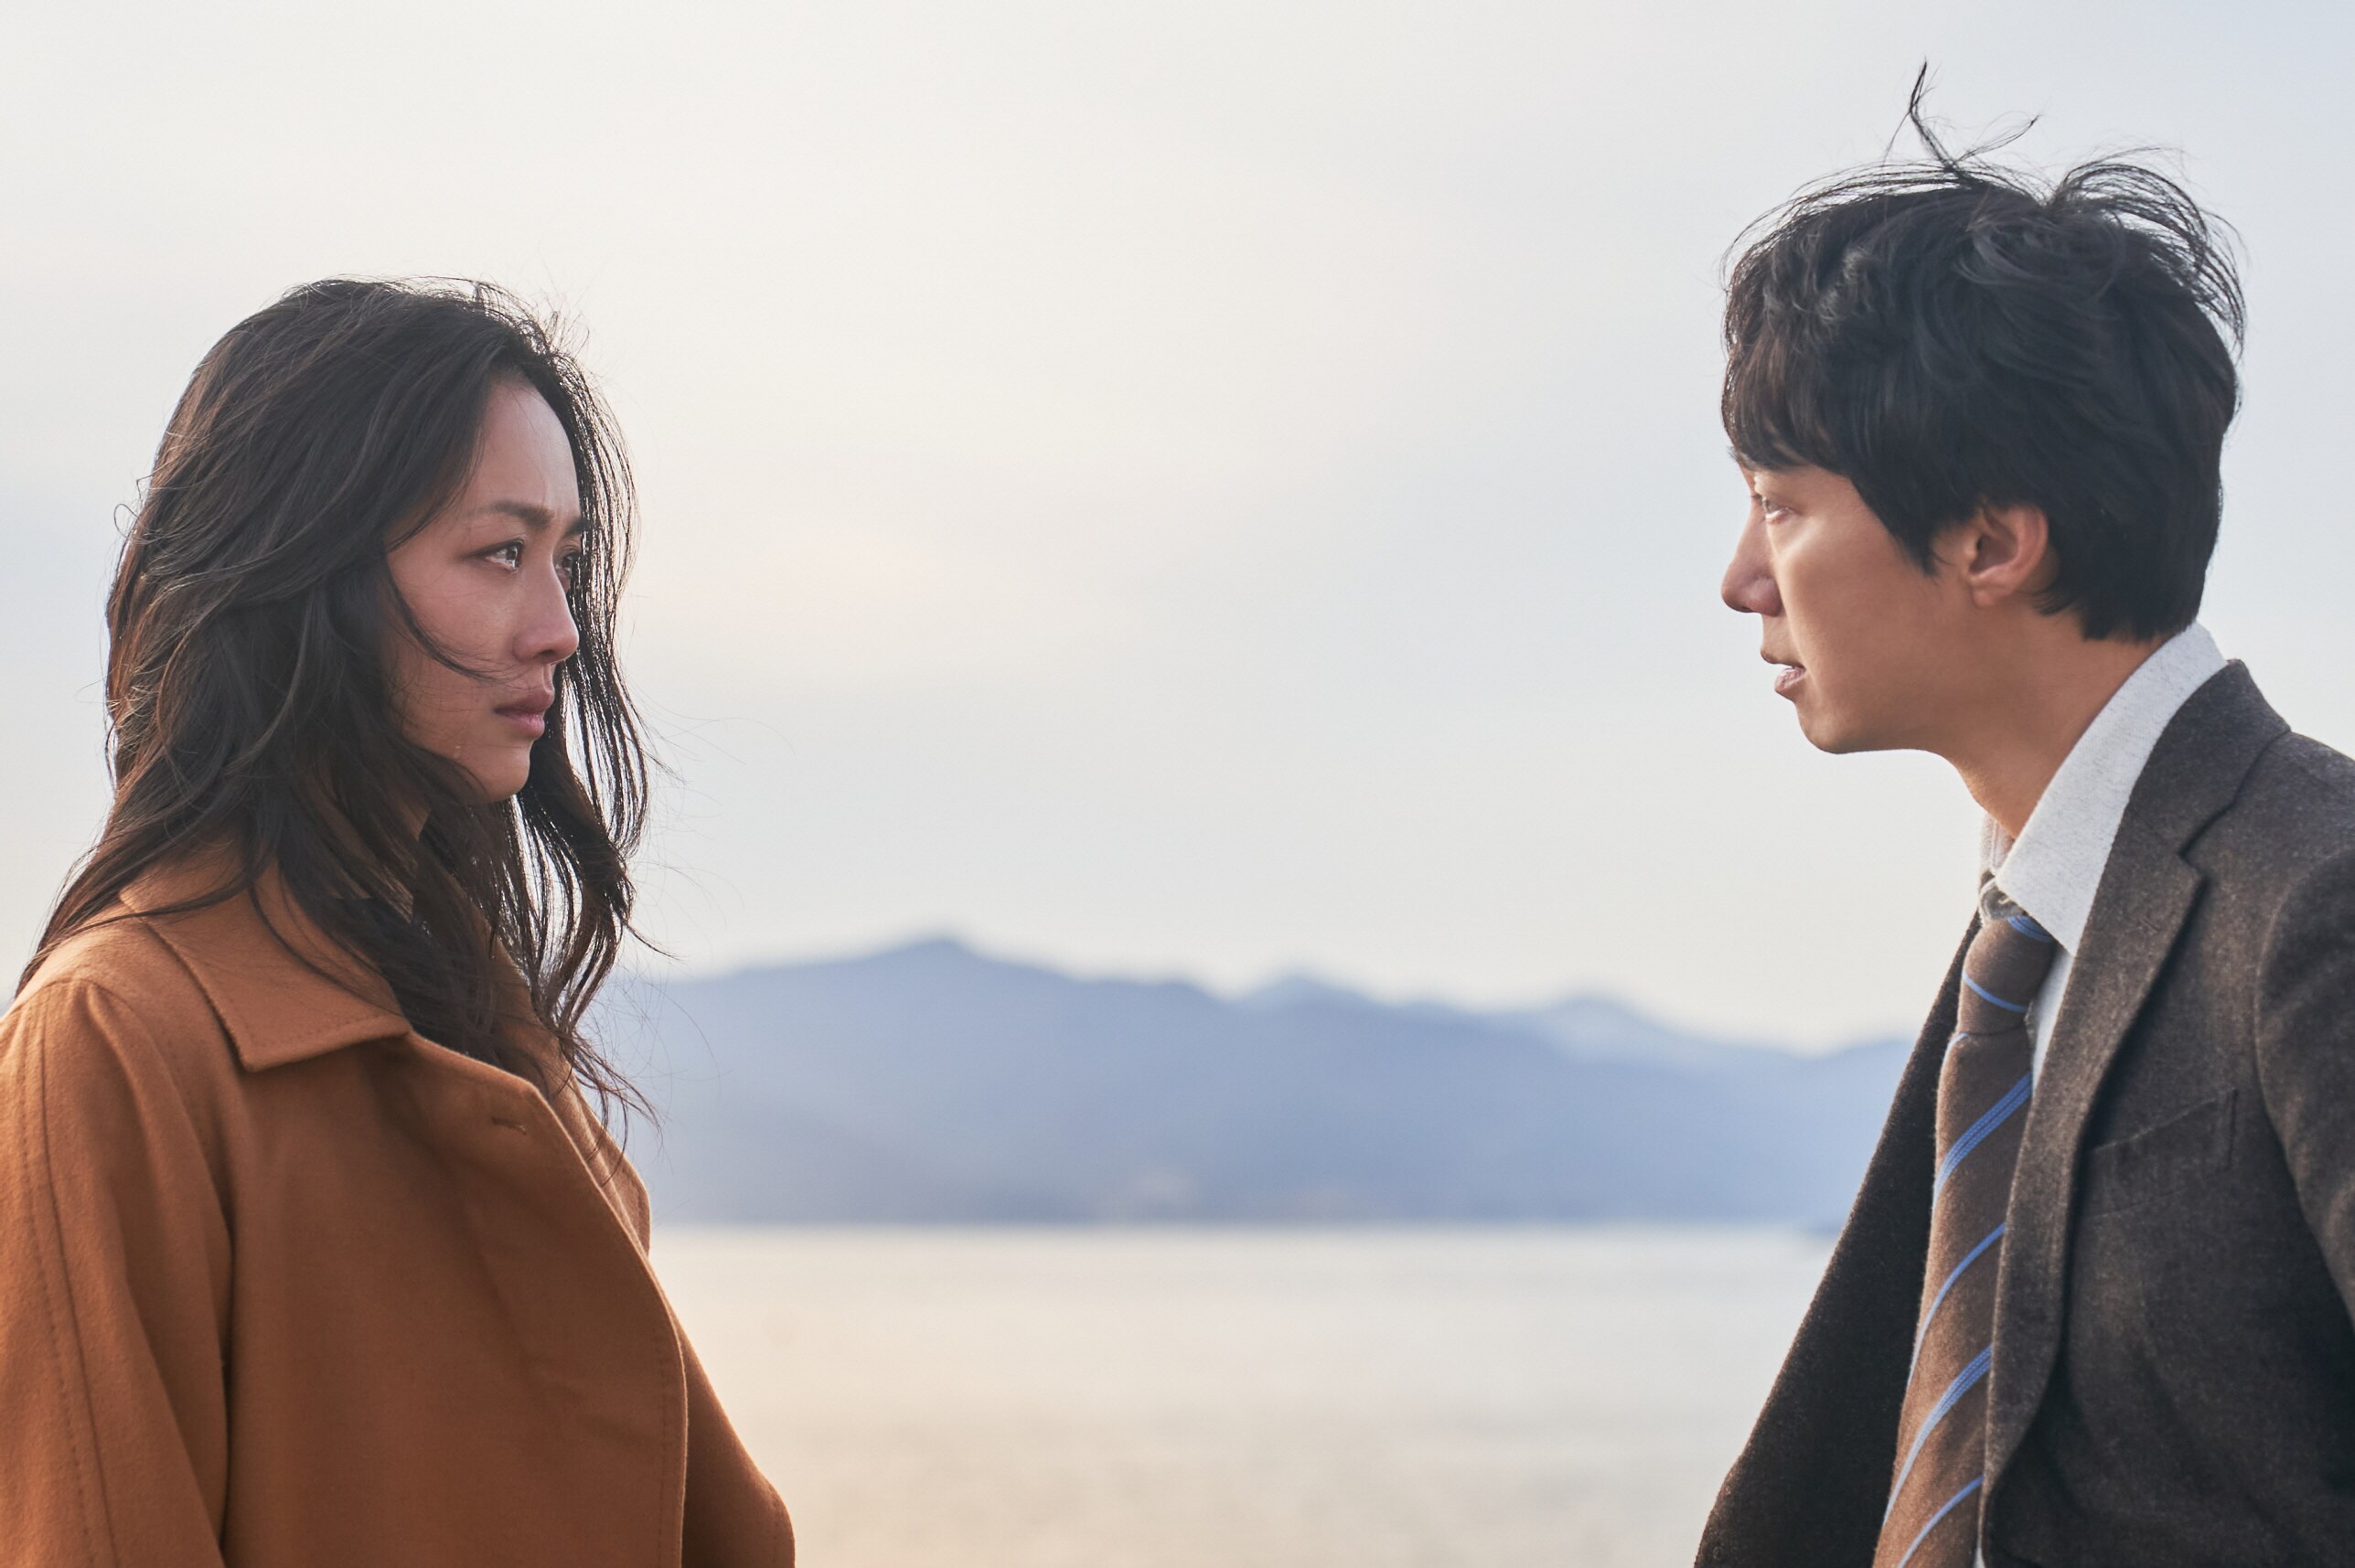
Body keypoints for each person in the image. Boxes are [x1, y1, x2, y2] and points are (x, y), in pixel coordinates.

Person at [0, 280, 793, 1565]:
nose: (561, 632)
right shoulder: (118, 1040)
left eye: (568, 562)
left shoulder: (486, 1034)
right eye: (499, 554)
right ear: (307, 570)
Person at [1700, 105, 2355, 1567]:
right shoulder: (2032, 935)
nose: (1742, 578)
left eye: (1780, 505)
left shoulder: (2317, 896)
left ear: (1994, 542)